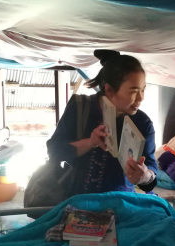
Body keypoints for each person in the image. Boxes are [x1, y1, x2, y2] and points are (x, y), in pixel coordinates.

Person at [47, 50, 158, 196]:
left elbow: (151, 174)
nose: (140, 98)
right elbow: (54, 151)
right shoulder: (80, 107)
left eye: (143, 90)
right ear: (109, 90)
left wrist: (145, 176)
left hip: (120, 202)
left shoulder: (142, 123)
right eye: (134, 91)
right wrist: (90, 142)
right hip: (76, 199)